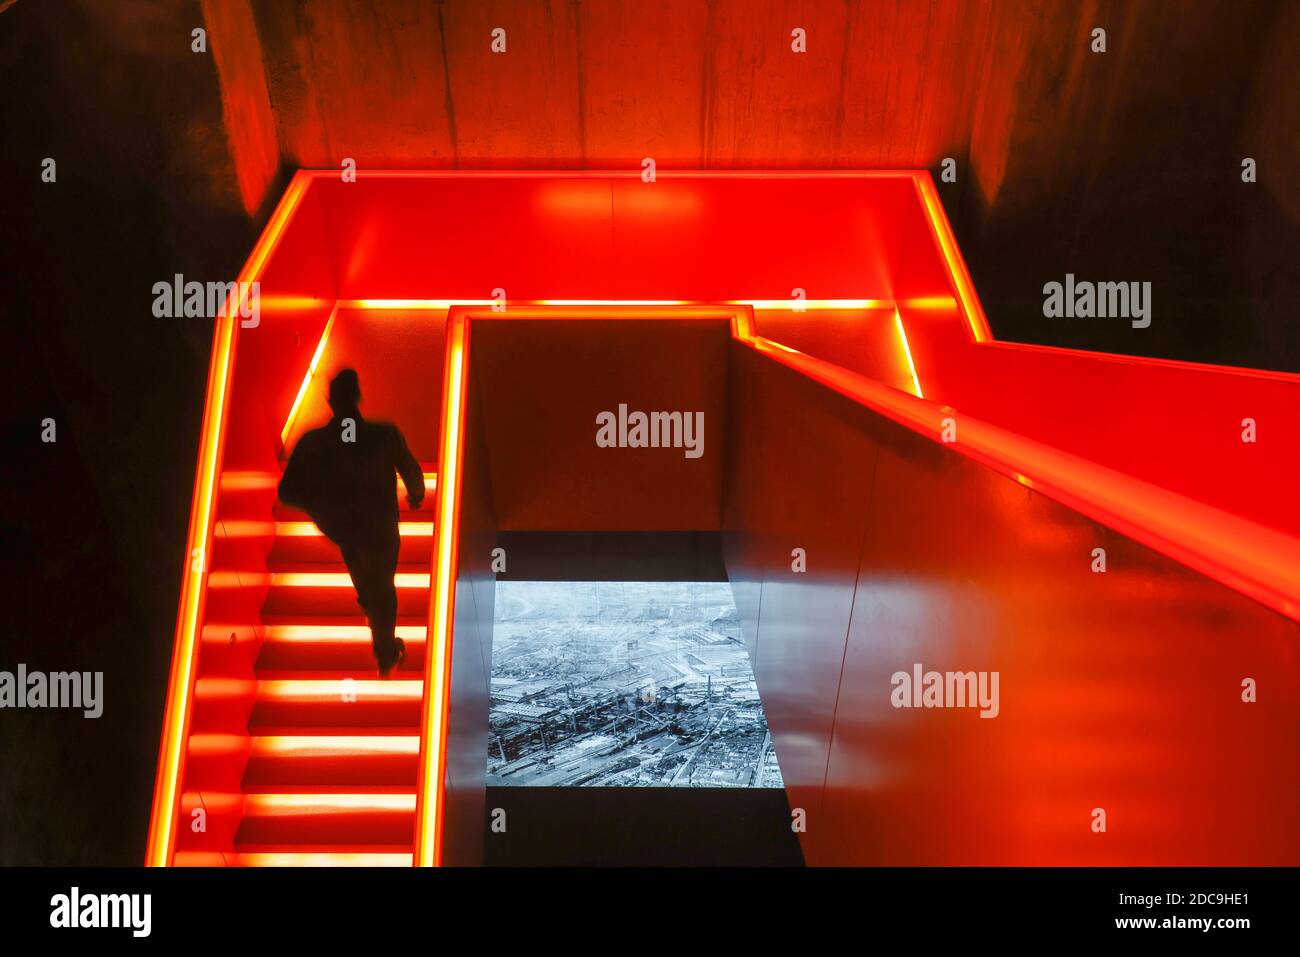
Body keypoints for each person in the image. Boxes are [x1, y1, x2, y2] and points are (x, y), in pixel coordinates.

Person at [278, 368, 425, 676]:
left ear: (330, 401)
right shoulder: (384, 435)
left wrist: (322, 510)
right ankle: (385, 649)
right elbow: (410, 469)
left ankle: (375, 623)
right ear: (359, 396)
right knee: (382, 585)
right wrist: (416, 495)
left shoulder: (314, 443)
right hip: (381, 527)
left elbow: (287, 492)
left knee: (365, 580)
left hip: (344, 530)